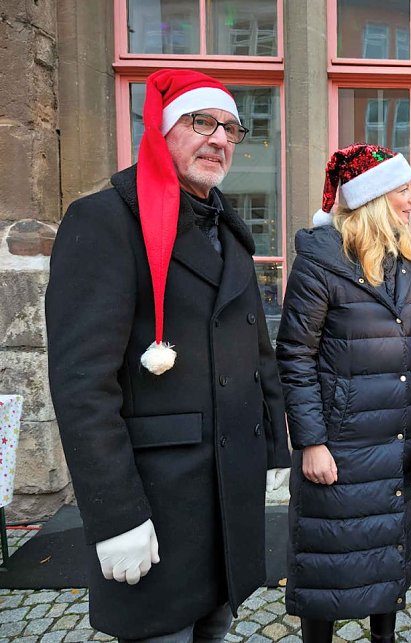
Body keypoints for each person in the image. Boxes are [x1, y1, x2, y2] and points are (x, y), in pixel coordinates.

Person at [45, 69, 289, 642]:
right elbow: (83, 386)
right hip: (156, 502)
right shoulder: (104, 221)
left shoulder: (227, 230)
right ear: (160, 132)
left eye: (231, 127)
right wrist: (114, 514)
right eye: (200, 122)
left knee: (215, 628)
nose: (219, 138)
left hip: (225, 493)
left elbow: (257, 352)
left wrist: (269, 448)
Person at [276, 143, 411, 643]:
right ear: (373, 199)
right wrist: (311, 442)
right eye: (404, 190)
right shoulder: (320, 262)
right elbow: (295, 356)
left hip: (397, 441)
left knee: (389, 558)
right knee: (328, 561)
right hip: (341, 444)